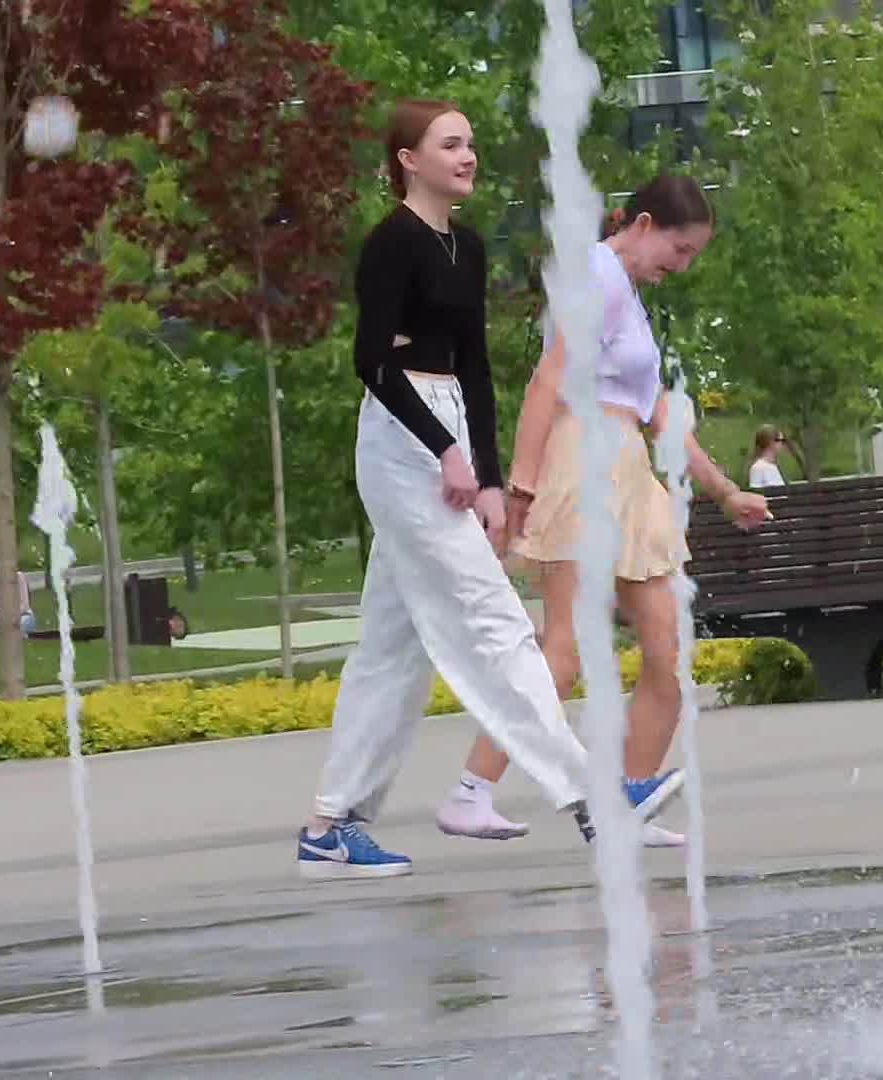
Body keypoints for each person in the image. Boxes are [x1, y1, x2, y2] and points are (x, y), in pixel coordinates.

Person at [298, 99, 606, 881]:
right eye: (450, 144)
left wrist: (490, 475)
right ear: (408, 159)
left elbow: (473, 364)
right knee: (493, 615)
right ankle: (590, 793)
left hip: (450, 431)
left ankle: (330, 825)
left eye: (469, 143)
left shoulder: (464, 246)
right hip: (400, 439)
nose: (467, 156)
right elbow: (372, 360)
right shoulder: (391, 243)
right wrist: (442, 451)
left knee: (391, 651)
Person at [434, 174, 772, 847]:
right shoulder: (597, 276)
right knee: (565, 646)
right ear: (643, 225)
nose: (682, 267)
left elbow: (658, 413)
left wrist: (723, 490)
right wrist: (521, 487)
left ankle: (621, 808)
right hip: (583, 461)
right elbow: (548, 380)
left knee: (666, 653)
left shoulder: (625, 294)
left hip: (627, 472)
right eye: (679, 249)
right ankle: (471, 791)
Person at [747, 425, 788, 489]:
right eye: (780, 440)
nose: (782, 444)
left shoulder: (775, 466)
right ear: (770, 442)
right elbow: (755, 492)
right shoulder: (758, 467)